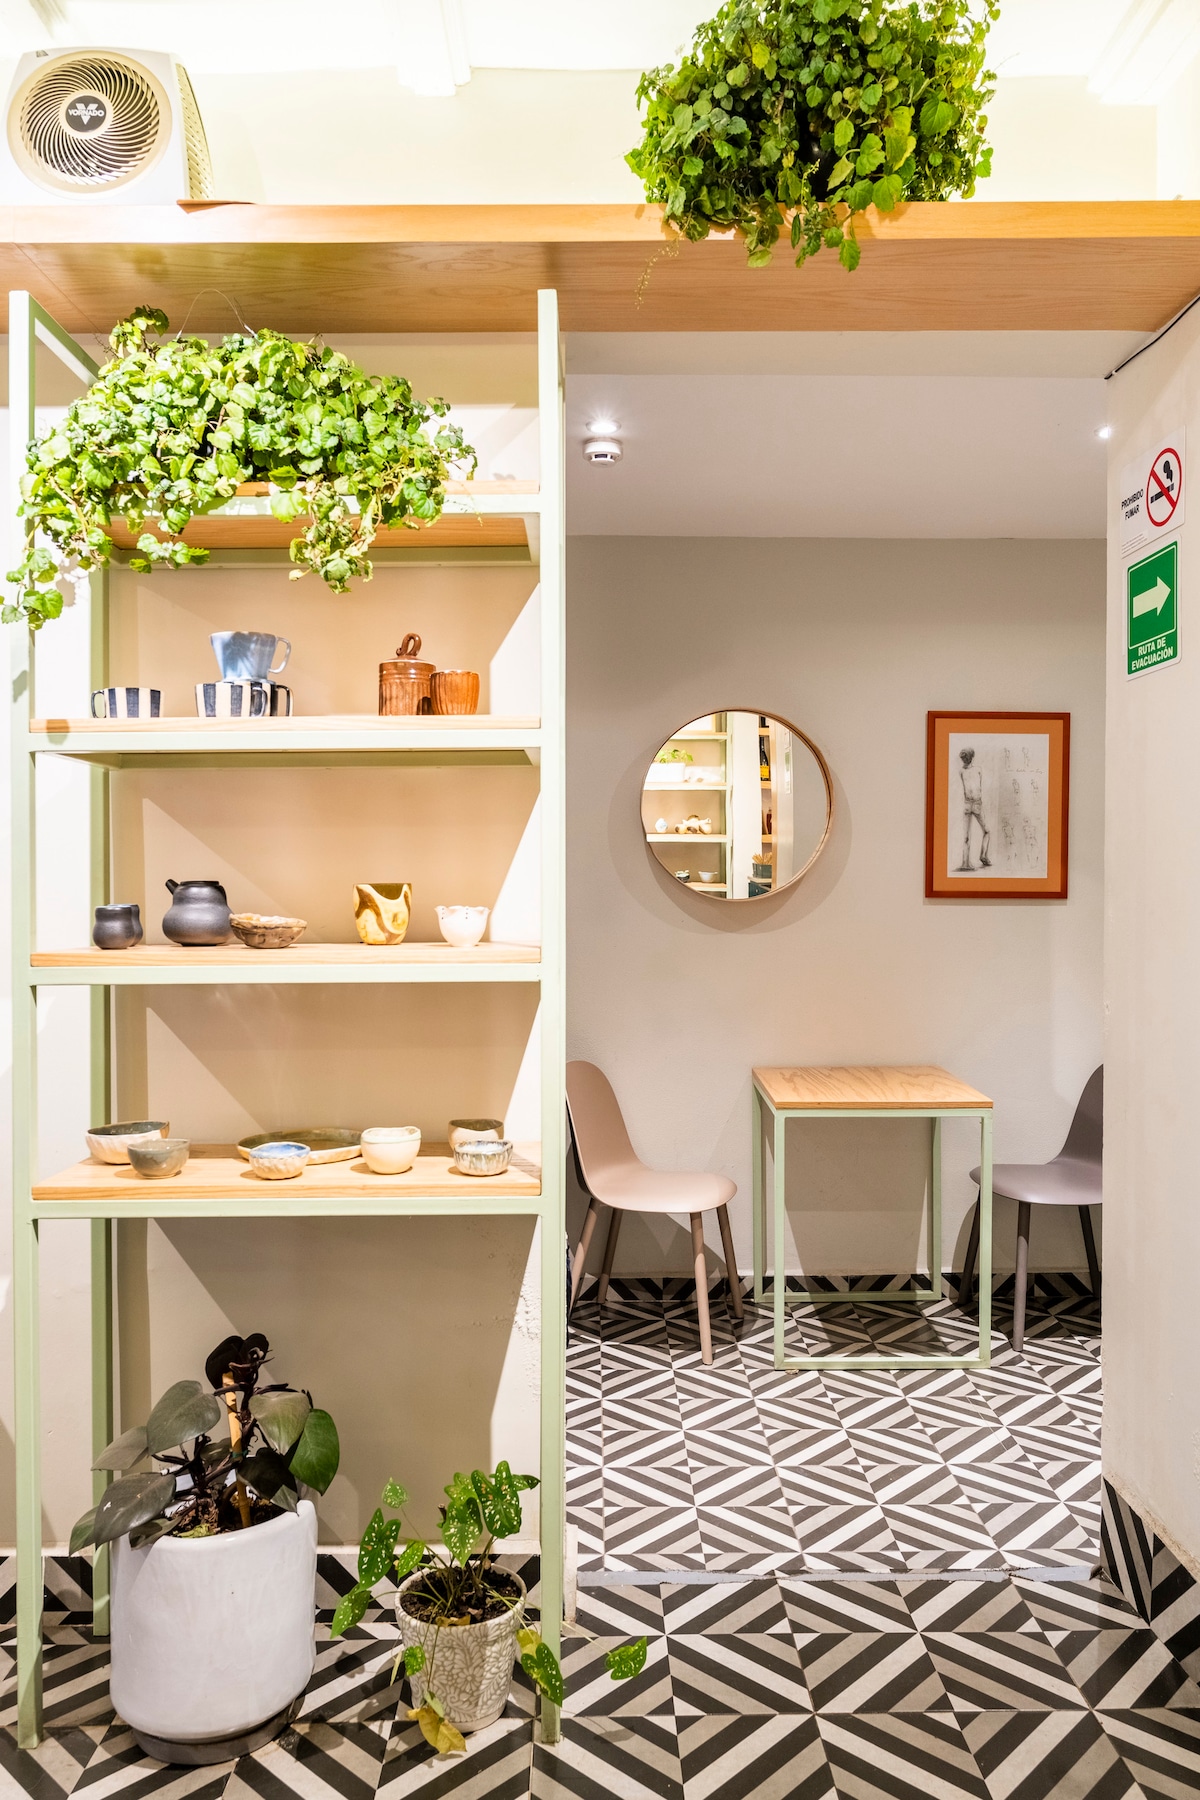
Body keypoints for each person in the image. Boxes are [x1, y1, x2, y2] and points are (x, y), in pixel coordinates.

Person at [957, 747, 991, 871]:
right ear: (972, 757)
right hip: (976, 803)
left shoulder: (961, 771)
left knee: (966, 836)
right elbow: (979, 787)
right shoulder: (978, 769)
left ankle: (965, 863)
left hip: (967, 804)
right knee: (986, 831)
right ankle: (983, 856)